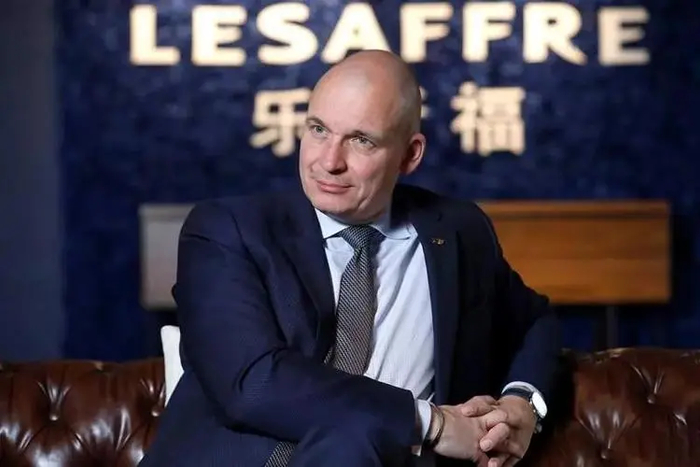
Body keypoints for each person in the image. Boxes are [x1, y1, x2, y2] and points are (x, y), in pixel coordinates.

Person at [139, 50, 561, 467]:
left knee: (355, 443)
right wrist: (431, 424)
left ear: (410, 155)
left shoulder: (456, 232)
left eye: (361, 140)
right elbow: (253, 382)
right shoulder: (227, 230)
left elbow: (535, 322)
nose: (329, 162)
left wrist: (523, 405)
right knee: (354, 436)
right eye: (318, 130)